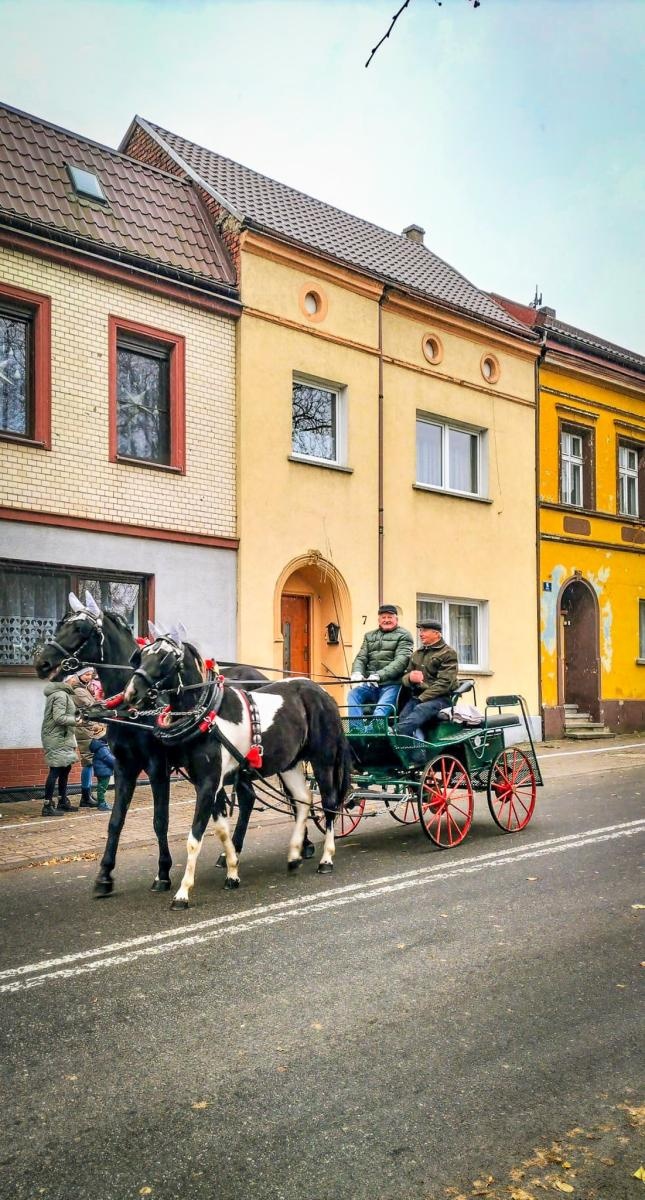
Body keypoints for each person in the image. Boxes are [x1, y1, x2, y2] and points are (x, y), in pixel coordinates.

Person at [398, 619, 459, 752]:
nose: (420, 634)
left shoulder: (448, 653)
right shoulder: (417, 654)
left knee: (417, 712)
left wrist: (421, 698)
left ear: (437, 634)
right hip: (418, 697)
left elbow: (444, 684)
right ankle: (414, 753)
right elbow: (404, 677)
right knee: (403, 717)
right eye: (420, 630)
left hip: (441, 699)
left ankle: (416, 752)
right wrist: (410, 678)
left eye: (424, 631)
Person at [348, 604, 414, 721]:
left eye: (390, 617)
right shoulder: (369, 636)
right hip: (370, 684)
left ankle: (374, 735)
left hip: (392, 684)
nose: (386, 620)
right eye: (383, 617)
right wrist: (357, 673)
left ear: (396, 619)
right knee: (353, 695)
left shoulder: (404, 635)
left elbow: (401, 661)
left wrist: (379, 675)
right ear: (379, 620)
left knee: (380, 711)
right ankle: (356, 731)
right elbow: (361, 658)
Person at [66, 668, 107, 809]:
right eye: (86, 674)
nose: (89, 677)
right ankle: (85, 796)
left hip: (90, 727)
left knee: (90, 760)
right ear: (78, 675)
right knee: (88, 761)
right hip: (84, 729)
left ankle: (87, 794)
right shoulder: (77, 690)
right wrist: (107, 703)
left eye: (91, 674)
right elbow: (90, 707)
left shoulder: (84, 688)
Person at [40, 677, 79, 816]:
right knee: (55, 770)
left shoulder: (64, 694)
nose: (76, 679)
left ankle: (62, 801)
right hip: (56, 738)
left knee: (65, 768)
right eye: (74, 677)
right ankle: (47, 805)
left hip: (63, 738)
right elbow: (59, 717)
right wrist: (77, 721)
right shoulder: (60, 695)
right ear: (67, 680)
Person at [89, 736, 115, 811]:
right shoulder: (102, 748)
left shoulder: (100, 747)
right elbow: (109, 758)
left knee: (101, 787)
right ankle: (101, 803)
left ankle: (102, 802)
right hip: (104, 771)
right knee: (102, 788)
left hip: (102, 770)